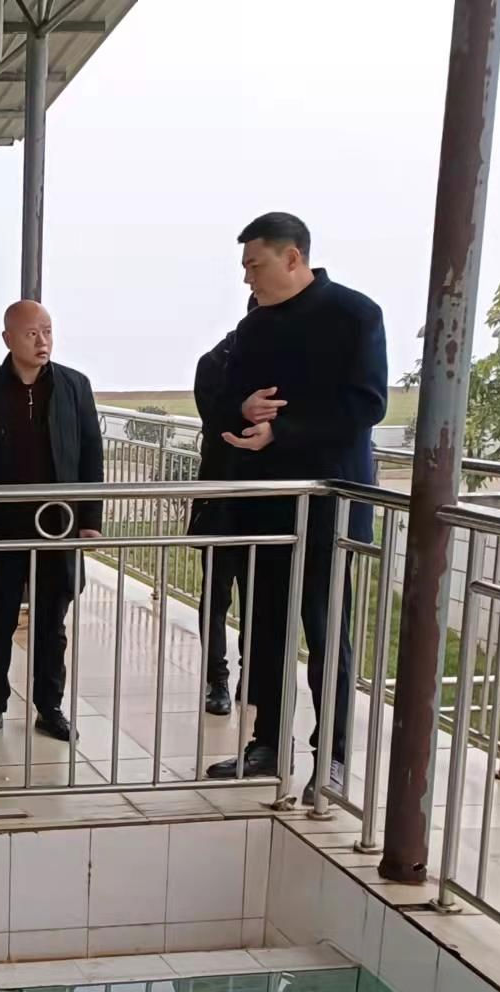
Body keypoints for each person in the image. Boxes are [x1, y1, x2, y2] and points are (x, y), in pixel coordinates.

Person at [204, 212, 387, 804]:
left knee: (326, 633)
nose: (247, 278)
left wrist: (281, 432)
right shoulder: (253, 327)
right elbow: (223, 397)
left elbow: (367, 405)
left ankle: (331, 756)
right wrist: (243, 409)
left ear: (292, 258)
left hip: (329, 507)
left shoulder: (356, 315)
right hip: (265, 505)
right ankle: (265, 744)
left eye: (254, 265)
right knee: (264, 629)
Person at [0, 300, 104, 744]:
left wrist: (90, 519)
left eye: (47, 331)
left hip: (58, 526)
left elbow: (90, 454)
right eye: (32, 333)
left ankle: (49, 707)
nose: (42, 341)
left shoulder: (74, 386)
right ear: (8, 339)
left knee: (51, 624)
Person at [189, 298, 256, 717]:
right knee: (216, 594)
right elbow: (218, 424)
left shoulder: (286, 360)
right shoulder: (215, 362)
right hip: (222, 494)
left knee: (259, 595)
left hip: (269, 498)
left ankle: (254, 675)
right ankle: (218, 680)